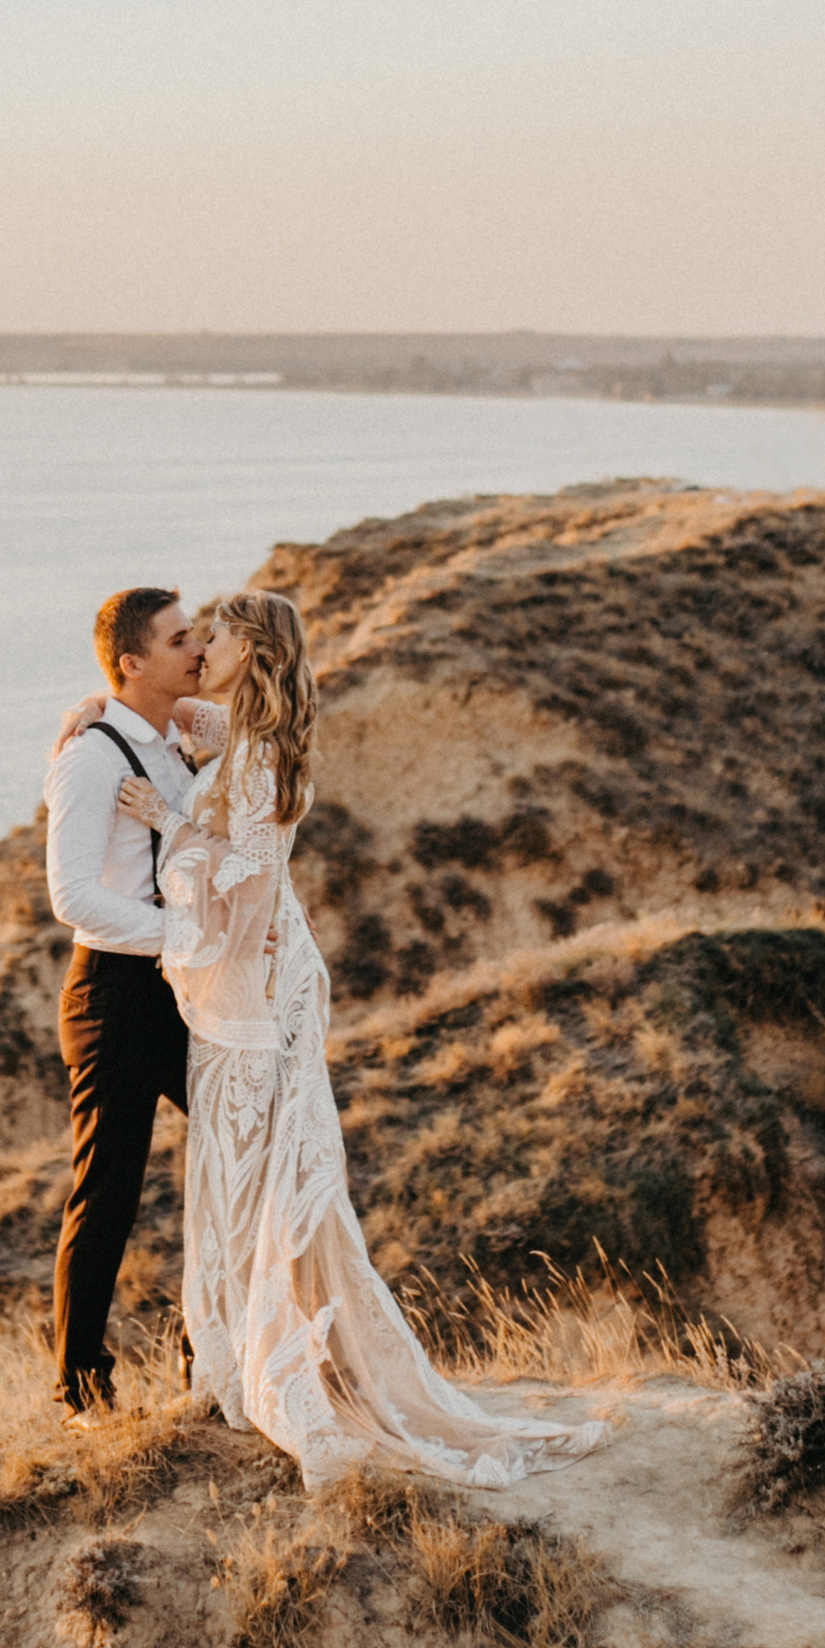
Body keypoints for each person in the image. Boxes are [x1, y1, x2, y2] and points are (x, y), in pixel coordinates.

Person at [109, 588, 608, 1489]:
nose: (200, 651)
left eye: (214, 637)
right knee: (248, 1168)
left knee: (255, 1170)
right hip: (256, 976)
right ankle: (250, 1356)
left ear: (250, 651)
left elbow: (252, 883)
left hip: (257, 989)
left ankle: (280, 1370)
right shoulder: (245, 734)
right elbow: (182, 719)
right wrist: (97, 710)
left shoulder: (256, 752)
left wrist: (169, 822)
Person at [41, 584, 220, 1416]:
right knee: (107, 1191)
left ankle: (208, 1350)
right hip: (113, 995)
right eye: (181, 638)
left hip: (180, 990)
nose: (198, 648)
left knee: (238, 1151)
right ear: (133, 663)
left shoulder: (173, 735)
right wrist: (176, 937)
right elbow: (72, 895)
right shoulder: (91, 755)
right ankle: (80, 1391)